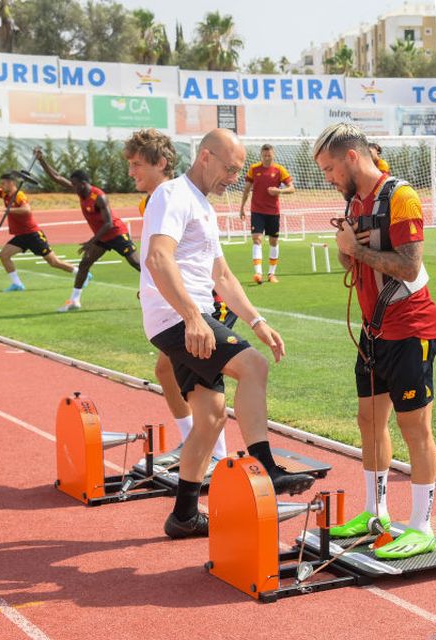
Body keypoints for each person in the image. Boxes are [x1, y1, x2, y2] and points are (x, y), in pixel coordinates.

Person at [140, 128, 313, 539]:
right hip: (178, 318)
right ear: (205, 157)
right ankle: (266, 467)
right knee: (253, 367)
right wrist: (193, 318)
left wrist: (258, 321)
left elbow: (222, 276)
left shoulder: (202, 205)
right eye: (231, 169)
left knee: (211, 417)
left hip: (189, 317)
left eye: (239, 171)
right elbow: (158, 258)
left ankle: (184, 516)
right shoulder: (172, 195)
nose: (235, 178)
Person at [314, 122, 436, 560]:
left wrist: (358, 249)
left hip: (410, 328)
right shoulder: (354, 201)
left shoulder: (401, 197)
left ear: (352, 157)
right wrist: (345, 246)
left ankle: (422, 526)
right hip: (373, 330)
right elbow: (350, 262)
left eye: (330, 169)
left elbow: (409, 267)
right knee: (368, 420)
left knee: (415, 428)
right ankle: (376, 513)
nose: (328, 178)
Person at [124, 128, 233, 469]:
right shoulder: (152, 200)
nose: (131, 171)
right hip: (180, 305)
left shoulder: (176, 195)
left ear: (161, 163)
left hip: (208, 302)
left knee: (199, 376)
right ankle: (196, 442)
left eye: (137, 163)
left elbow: (176, 258)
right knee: (166, 370)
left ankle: (214, 452)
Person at [34, 149, 140, 312]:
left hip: (116, 233)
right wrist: (42, 160)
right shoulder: (80, 191)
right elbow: (57, 177)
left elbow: (109, 223)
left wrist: (91, 242)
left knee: (136, 264)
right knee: (84, 264)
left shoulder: (99, 197)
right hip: (102, 237)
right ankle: (74, 301)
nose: (73, 187)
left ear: (83, 184)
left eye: (75, 185)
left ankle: (164, 288)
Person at [0, 162, 78, 292]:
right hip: (21, 236)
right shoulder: (5, 194)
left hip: (33, 235)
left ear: (11, 183)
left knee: (53, 262)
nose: (1, 186)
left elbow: (27, 210)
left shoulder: (19, 195)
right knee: (4, 255)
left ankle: (80, 273)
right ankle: (17, 284)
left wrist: (7, 210)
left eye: (3, 183)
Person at [239, 143, 295, 284]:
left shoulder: (279, 170)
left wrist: (279, 191)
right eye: (264, 155)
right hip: (257, 211)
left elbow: (292, 188)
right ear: (261, 155)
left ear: (273, 155)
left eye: (269, 155)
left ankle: (271, 274)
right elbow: (246, 189)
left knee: (273, 242)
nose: (266, 158)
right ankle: (258, 273)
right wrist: (242, 207)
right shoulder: (254, 169)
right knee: (257, 239)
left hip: (273, 212)